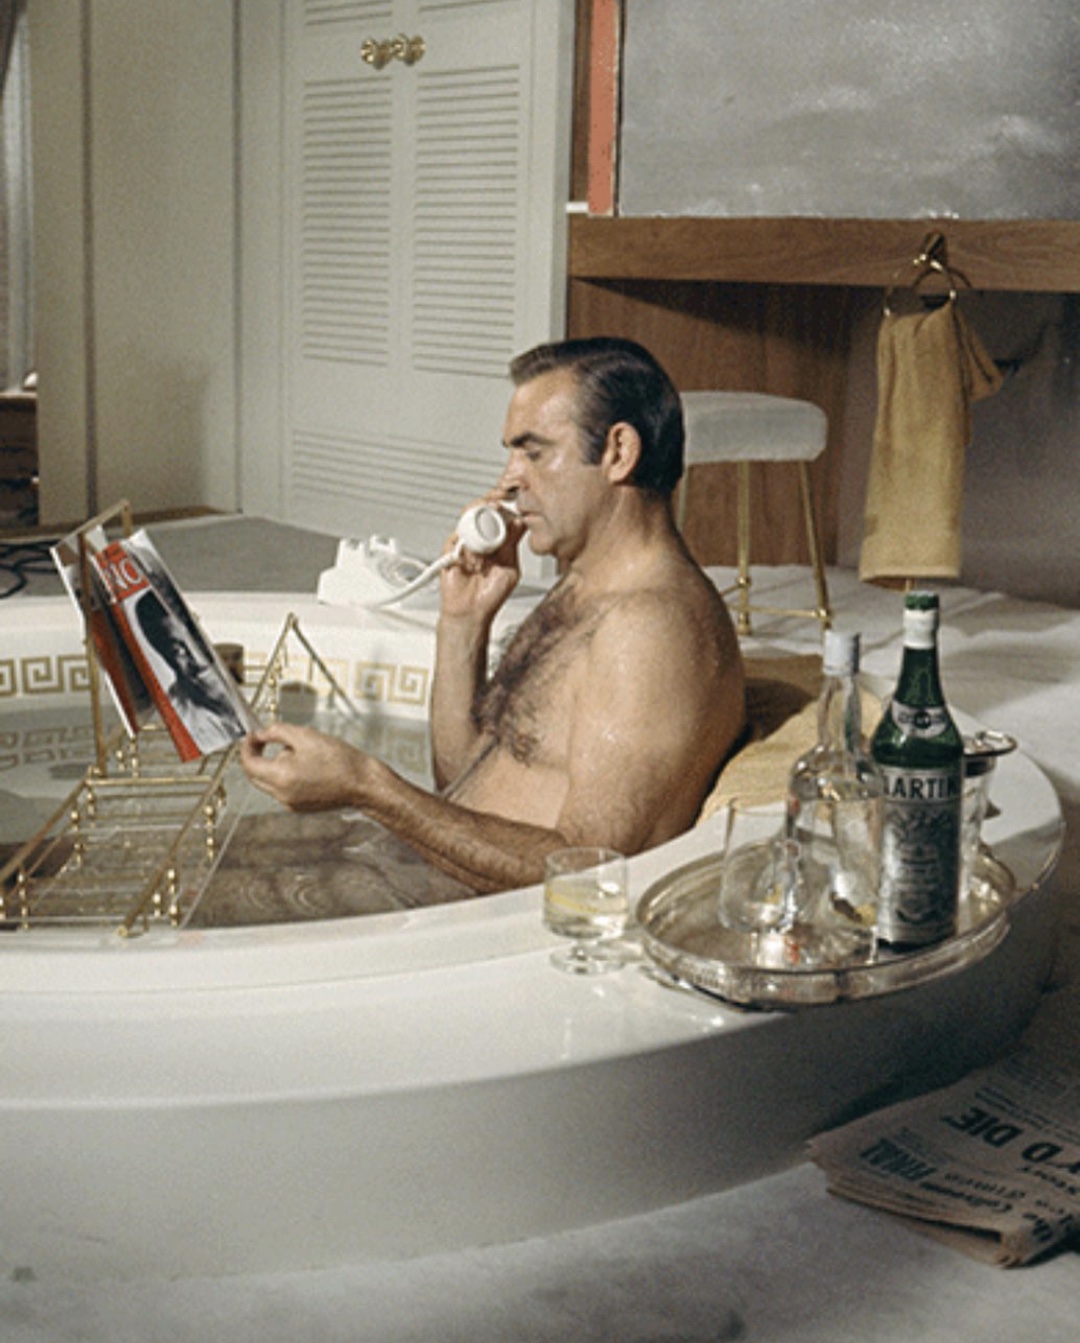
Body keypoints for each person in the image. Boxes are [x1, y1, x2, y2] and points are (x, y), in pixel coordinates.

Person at [241, 337, 746, 893]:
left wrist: (367, 786)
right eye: (511, 454)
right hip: (426, 885)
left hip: (472, 923)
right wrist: (462, 623)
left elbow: (587, 872)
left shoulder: (649, 631)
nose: (507, 481)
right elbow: (464, 781)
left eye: (534, 453)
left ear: (618, 452)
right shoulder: (584, 587)